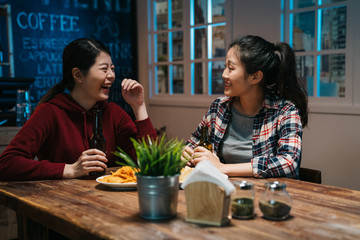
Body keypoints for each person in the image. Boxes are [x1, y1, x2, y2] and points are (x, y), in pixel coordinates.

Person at [0, 38, 157, 180]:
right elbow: (6, 163)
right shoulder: (50, 112)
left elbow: (153, 165)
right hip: (61, 204)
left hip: (110, 205)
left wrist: (139, 106)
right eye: (104, 69)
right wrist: (70, 169)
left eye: (113, 69)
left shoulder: (114, 113)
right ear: (78, 75)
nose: (111, 76)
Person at [183, 35, 308, 179]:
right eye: (225, 67)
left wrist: (222, 168)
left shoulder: (285, 111)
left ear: (255, 77)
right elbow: (194, 143)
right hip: (224, 190)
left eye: (231, 68)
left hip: (270, 196)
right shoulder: (219, 107)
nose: (224, 74)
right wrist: (187, 152)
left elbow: (289, 162)